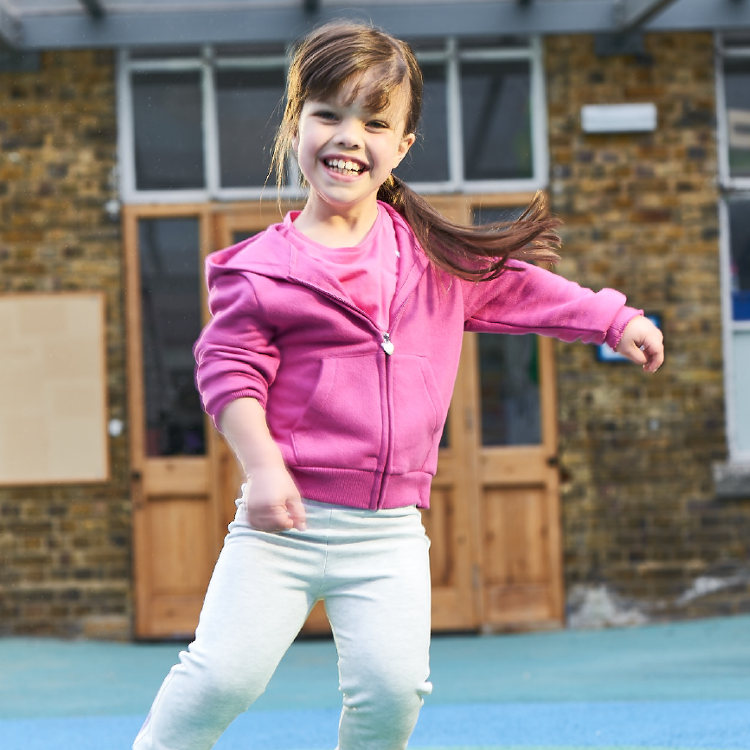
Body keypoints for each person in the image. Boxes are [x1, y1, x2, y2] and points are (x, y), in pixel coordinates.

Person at [133, 19, 664, 750]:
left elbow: (521, 291)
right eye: (327, 114)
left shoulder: (431, 260)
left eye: (373, 122)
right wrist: (261, 468)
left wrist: (611, 319)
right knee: (222, 677)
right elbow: (229, 374)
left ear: (402, 146)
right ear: (296, 127)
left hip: (388, 533)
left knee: (393, 694)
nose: (348, 136)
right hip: (282, 528)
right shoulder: (259, 270)